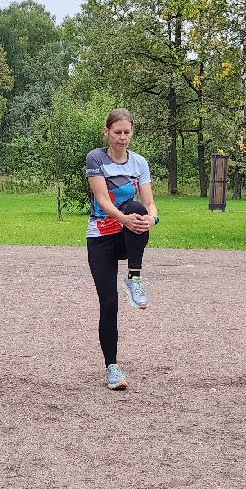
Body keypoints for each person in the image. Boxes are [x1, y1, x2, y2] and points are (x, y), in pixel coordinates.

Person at [85, 109, 160, 390]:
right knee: (109, 303)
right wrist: (123, 218)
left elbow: (149, 203)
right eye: (117, 132)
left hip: (128, 234)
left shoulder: (139, 162)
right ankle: (112, 367)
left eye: (127, 132)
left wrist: (152, 218)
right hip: (101, 237)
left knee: (139, 209)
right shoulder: (96, 159)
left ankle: (134, 277)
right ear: (106, 132)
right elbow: (103, 200)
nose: (122, 137)